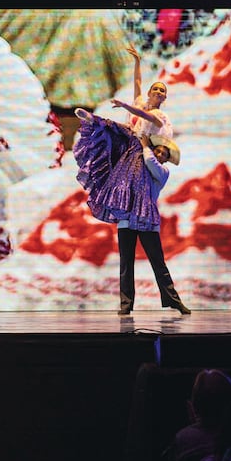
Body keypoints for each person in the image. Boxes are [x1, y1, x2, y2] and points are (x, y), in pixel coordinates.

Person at [73, 108, 190, 315]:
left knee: (157, 262)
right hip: (127, 219)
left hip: (146, 219)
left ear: (166, 159)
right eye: (159, 150)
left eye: (164, 153)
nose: (160, 154)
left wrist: (145, 146)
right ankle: (126, 304)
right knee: (126, 263)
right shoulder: (135, 162)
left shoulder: (162, 171)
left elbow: (149, 161)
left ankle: (173, 300)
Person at [116, 44, 174, 138]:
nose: (158, 91)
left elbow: (142, 114)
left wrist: (124, 105)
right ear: (149, 93)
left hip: (140, 148)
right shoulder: (139, 103)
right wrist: (137, 61)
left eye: (162, 91)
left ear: (164, 98)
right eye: (155, 89)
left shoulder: (159, 115)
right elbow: (137, 82)